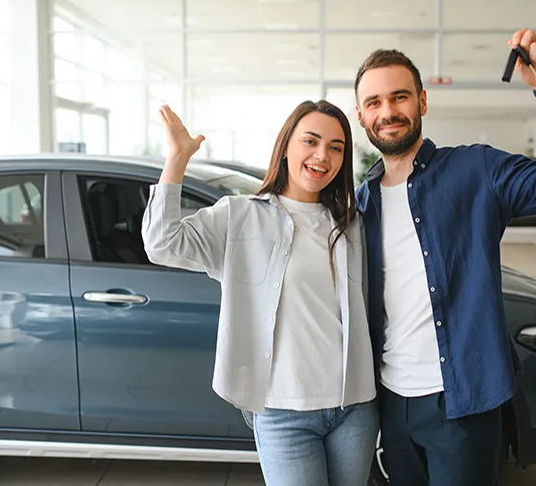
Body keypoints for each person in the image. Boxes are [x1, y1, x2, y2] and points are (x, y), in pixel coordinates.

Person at [353, 29, 536, 485]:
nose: (387, 111)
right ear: (361, 115)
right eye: (374, 102)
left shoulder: (476, 170)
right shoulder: (363, 202)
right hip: (391, 401)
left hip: (463, 403)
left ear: (422, 102)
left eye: (399, 97)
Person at [142, 100, 378, 486]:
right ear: (286, 146)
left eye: (336, 147)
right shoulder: (238, 215)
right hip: (282, 412)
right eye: (311, 141)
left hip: (354, 407)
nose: (323, 156)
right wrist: (177, 159)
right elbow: (162, 243)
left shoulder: (351, 224)